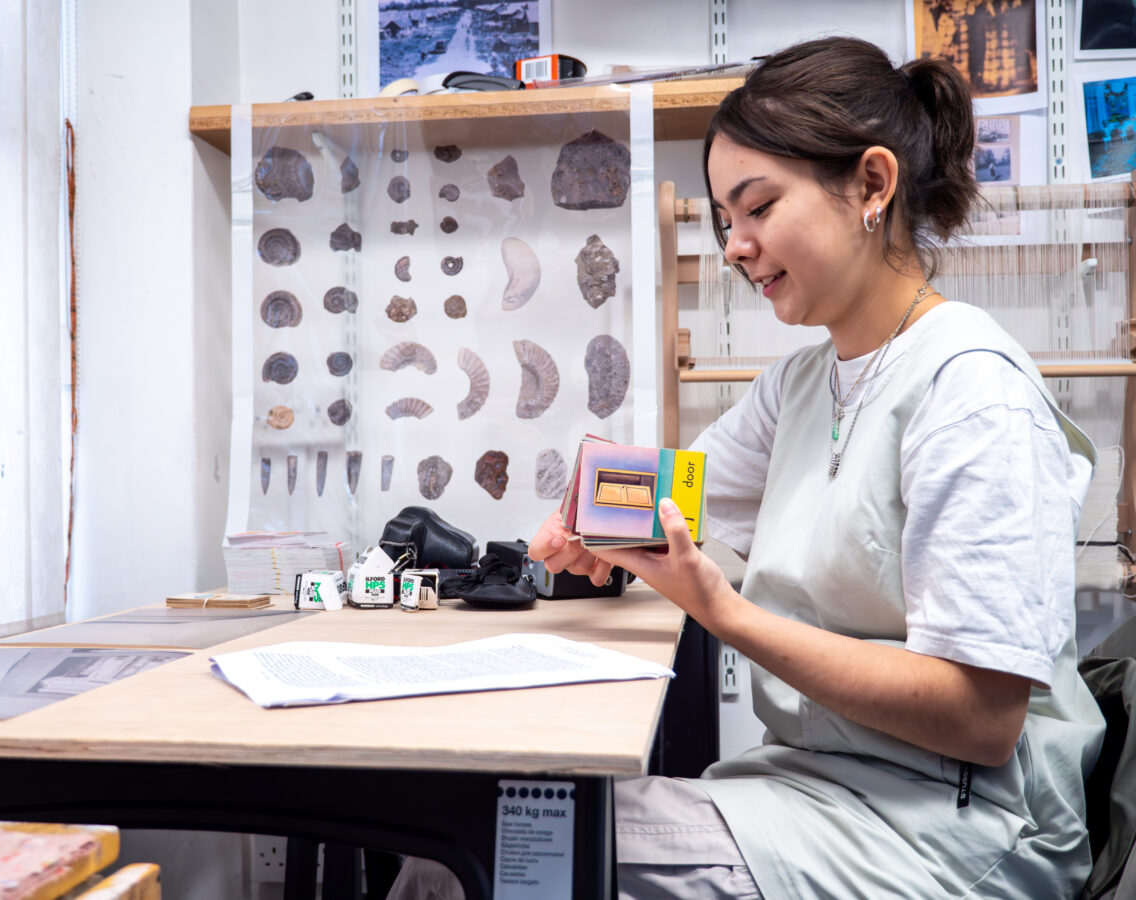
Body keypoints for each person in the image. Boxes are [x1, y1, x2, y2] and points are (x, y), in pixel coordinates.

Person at [387, 36, 1105, 900]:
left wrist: (721, 609)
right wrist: (583, 519)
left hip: (954, 832)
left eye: (758, 208)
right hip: (812, 784)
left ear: (873, 186)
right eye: (727, 220)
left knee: (466, 858)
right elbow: (666, 495)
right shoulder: (803, 383)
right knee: (477, 834)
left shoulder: (974, 395)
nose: (735, 246)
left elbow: (983, 720)